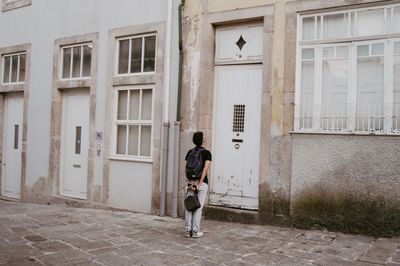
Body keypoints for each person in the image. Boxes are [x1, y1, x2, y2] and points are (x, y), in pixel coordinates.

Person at [185, 131, 212, 238]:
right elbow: (205, 170)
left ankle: (188, 231)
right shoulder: (207, 153)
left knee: (189, 206)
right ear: (202, 140)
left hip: (190, 183)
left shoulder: (189, 152)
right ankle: (195, 231)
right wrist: (199, 184)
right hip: (202, 183)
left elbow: (186, 169)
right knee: (198, 208)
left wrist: (190, 183)